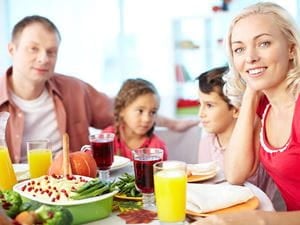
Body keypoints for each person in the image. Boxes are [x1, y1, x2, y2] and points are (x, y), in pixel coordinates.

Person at [0, 15, 198, 163]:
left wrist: (171, 123)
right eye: (33, 48)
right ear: (12, 50)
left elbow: (125, 109)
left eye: (51, 51)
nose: (44, 58)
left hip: (73, 188)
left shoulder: (75, 89)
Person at [192, 2, 300, 225]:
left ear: (291, 48)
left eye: (264, 43)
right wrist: (251, 92)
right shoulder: (264, 107)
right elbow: (235, 173)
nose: (250, 57)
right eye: (239, 49)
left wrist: (262, 220)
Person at [196, 66, 283, 210]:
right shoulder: (207, 141)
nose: (201, 113)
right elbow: (205, 189)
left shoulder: (256, 143)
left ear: (236, 109)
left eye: (209, 105)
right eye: (200, 104)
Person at [103, 78, 168, 160]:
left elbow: (160, 173)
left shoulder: (158, 148)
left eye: (153, 112)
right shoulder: (106, 138)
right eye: (140, 111)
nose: (147, 119)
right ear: (122, 110)